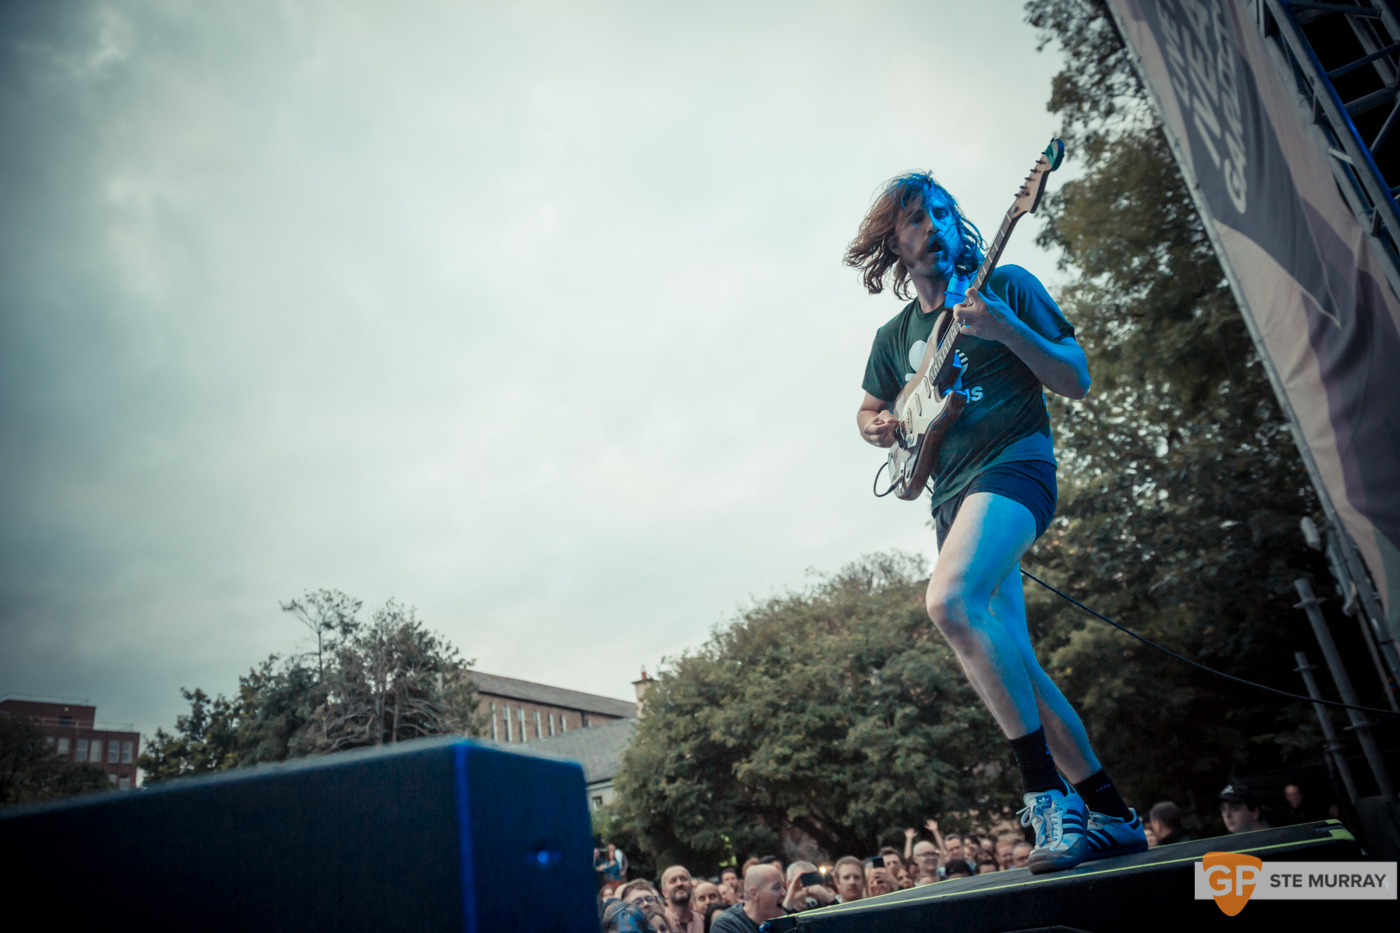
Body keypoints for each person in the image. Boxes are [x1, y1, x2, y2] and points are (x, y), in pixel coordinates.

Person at [847, 171, 1145, 874]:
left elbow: (1076, 377)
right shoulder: (894, 336)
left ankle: (1047, 796)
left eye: (943, 213)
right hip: (950, 496)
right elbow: (867, 410)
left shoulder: (1005, 285)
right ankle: (1113, 813)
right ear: (895, 242)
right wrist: (879, 425)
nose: (935, 227)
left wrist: (1004, 328)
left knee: (949, 600)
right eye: (917, 219)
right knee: (1015, 664)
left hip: (1015, 467)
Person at [710, 864, 788, 933]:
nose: (784, 893)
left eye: (782, 886)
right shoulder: (727, 925)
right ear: (754, 893)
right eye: (776, 887)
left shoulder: (783, 919)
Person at [661, 865, 703, 933]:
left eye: (683, 879)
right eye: (673, 881)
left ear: (692, 887)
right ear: (664, 892)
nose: (679, 884)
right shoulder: (659, 925)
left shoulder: (703, 922)